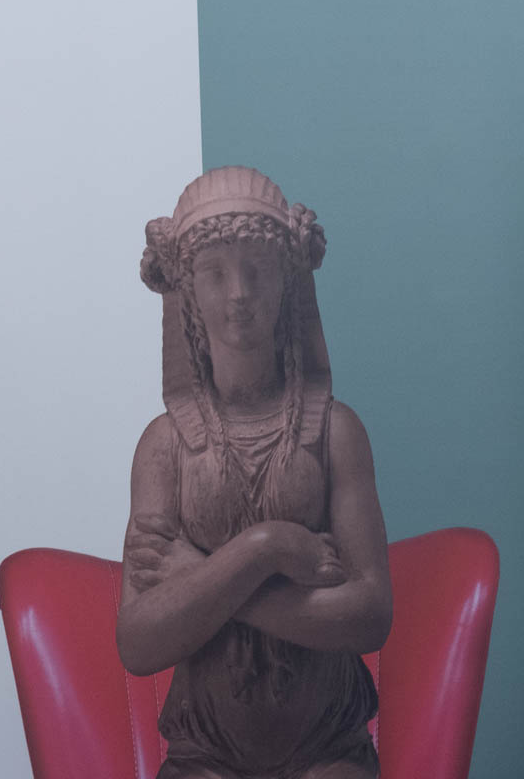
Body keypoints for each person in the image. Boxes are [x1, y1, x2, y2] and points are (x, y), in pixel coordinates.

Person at [119, 167, 391, 779]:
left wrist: (199, 578)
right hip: (203, 755)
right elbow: (137, 643)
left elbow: (372, 616)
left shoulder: (334, 432)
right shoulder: (165, 447)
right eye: (215, 273)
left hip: (329, 749)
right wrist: (266, 549)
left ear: (286, 284)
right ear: (189, 292)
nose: (238, 292)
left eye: (258, 270)